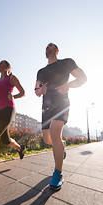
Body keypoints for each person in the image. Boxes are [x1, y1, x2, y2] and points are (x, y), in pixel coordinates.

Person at [35, 43, 87, 190]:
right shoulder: (41, 71)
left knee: (55, 131)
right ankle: (61, 147)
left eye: (51, 46)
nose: (48, 48)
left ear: (57, 50)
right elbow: (37, 89)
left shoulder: (66, 62)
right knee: (47, 139)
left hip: (61, 103)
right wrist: (39, 90)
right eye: (46, 47)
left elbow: (83, 78)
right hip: (46, 107)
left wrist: (68, 86)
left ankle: (58, 173)